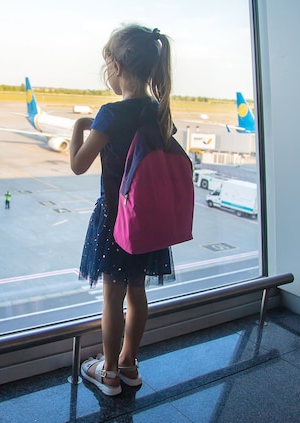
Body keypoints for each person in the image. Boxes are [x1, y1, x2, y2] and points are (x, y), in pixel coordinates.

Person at [70, 24, 176, 397]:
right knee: (138, 293)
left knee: (111, 299)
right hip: (148, 219)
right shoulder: (159, 112)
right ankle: (130, 363)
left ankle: (109, 372)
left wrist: (80, 127)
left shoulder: (110, 114)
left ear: (115, 66)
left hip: (117, 220)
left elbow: (79, 165)